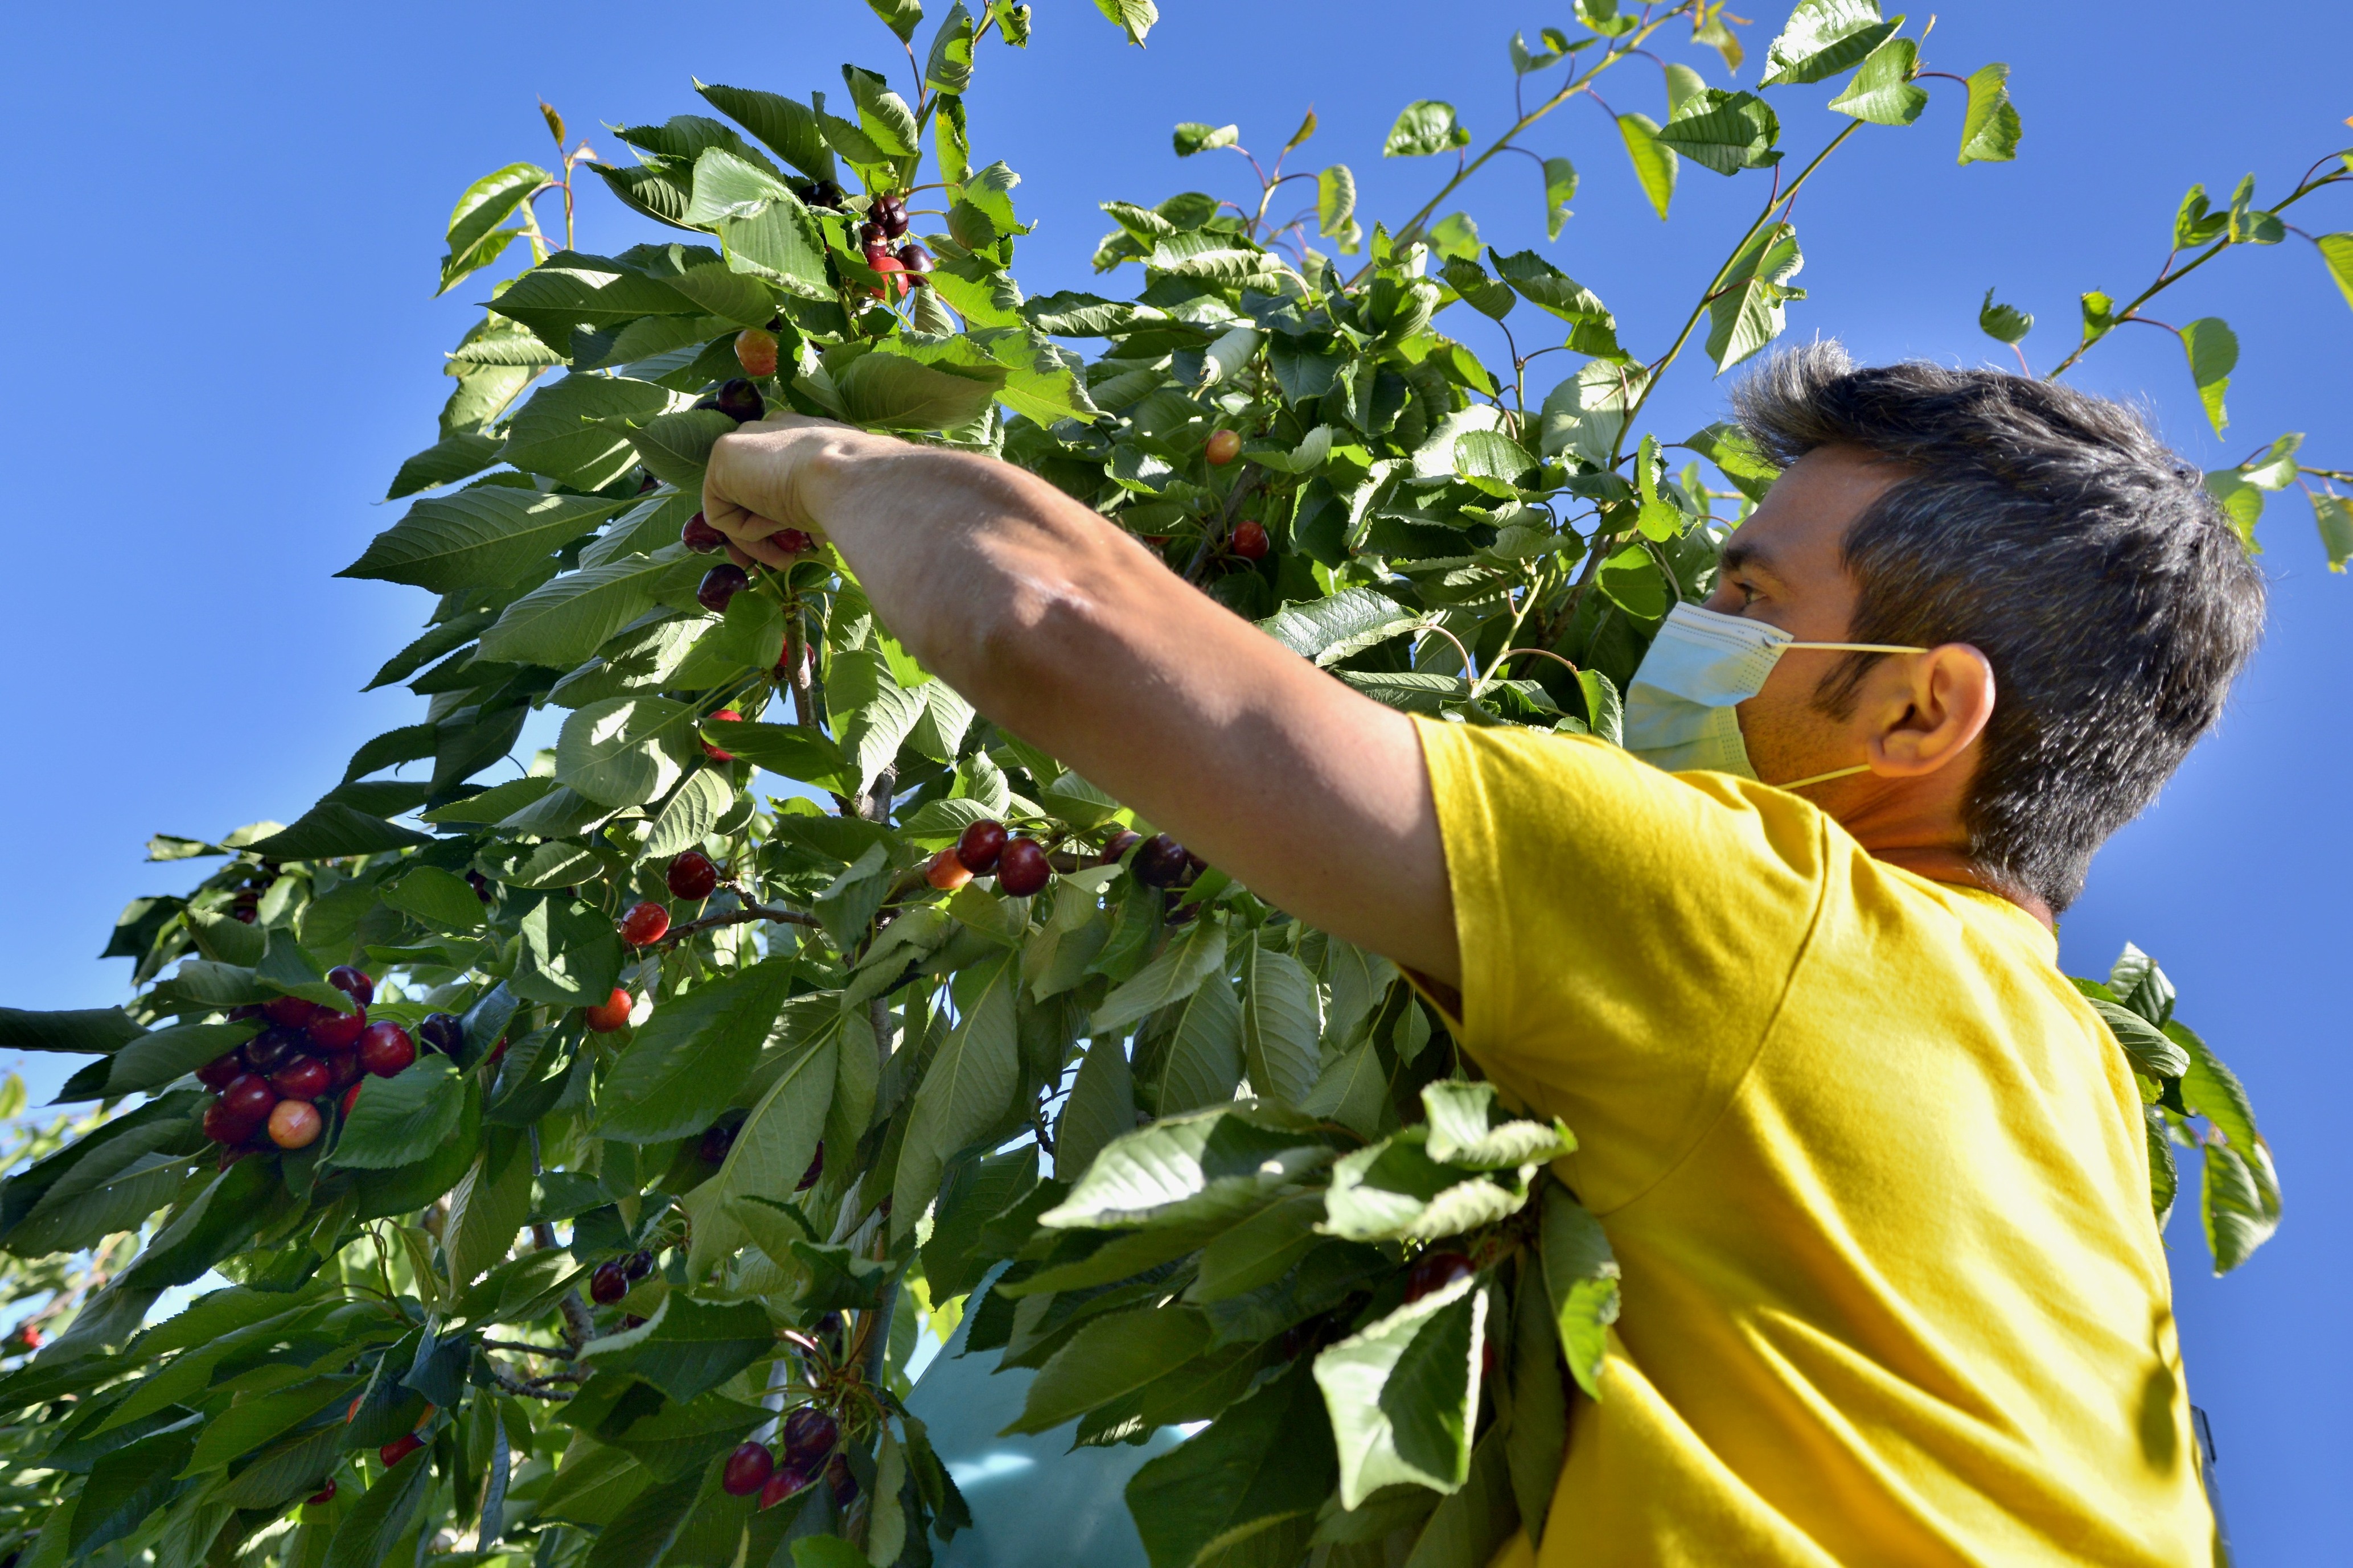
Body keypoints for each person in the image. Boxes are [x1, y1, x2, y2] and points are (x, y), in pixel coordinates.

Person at [699, 342, 2262, 1567]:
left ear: (1921, 712)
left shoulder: (1764, 912)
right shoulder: (2082, 1100)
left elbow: (1044, 615)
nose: (1691, 624)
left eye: (1747, 596)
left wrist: (819, 459)